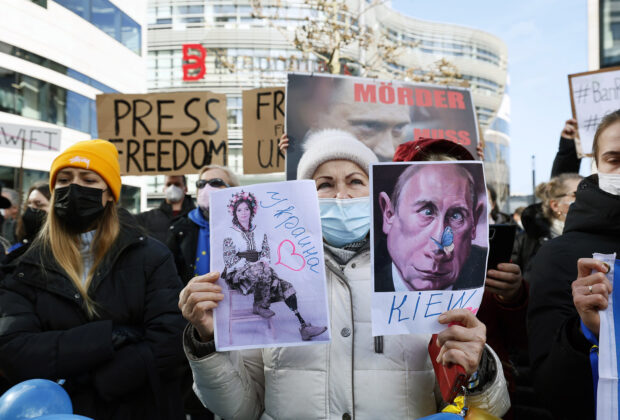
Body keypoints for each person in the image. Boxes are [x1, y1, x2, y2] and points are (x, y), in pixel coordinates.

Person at [178, 129, 510, 419]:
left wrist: (479, 368)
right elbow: (238, 409)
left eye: (355, 181)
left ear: (380, 199)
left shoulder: (421, 277)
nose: (341, 195)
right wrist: (208, 343)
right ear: (304, 194)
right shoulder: (275, 276)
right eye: (324, 184)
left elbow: (478, 408)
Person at [0, 140, 187, 420]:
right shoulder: (24, 266)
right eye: (64, 180)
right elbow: (14, 348)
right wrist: (110, 337)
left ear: (110, 193)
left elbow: (170, 340)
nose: (74, 188)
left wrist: (98, 380)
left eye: (88, 179)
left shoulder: (151, 256)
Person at [392, 137, 528, 420]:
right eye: (426, 209)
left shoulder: (479, 259)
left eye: (456, 213)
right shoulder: (372, 271)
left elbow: (522, 339)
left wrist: (513, 297)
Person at [528, 110, 620, 419]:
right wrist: (583, 334)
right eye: (615, 160)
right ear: (597, 166)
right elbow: (553, 390)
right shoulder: (560, 257)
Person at [222, 189, 327, 339]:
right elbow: (229, 260)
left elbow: (265, 253)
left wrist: (263, 261)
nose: (243, 212)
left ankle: (303, 326)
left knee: (287, 286)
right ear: (235, 212)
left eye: (246, 209)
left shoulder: (260, 232)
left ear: (251, 211)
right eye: (239, 210)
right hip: (237, 274)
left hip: (261, 274)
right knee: (261, 270)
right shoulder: (230, 233)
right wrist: (252, 264)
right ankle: (260, 305)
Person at [376, 162, 486, 292]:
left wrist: (509, 299)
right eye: (426, 212)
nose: (438, 247)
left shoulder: (489, 271)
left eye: (456, 216)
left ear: (474, 222)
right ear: (389, 214)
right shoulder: (364, 277)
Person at [168, 165, 239, 284]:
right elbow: (169, 279)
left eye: (216, 183)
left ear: (233, 189)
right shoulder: (179, 228)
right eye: (201, 184)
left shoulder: (247, 227)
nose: (206, 188)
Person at [512, 173, 583, 280]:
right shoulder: (526, 240)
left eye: (590, 194)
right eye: (576, 195)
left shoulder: (596, 236)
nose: (587, 199)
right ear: (555, 205)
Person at [136, 175, 195, 243]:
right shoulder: (147, 218)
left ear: (186, 189)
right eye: (169, 184)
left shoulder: (196, 218)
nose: (172, 188)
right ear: (164, 189)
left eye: (177, 184)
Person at [4, 181, 51, 263]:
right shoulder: (25, 243)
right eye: (29, 204)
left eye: (38, 204)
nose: (30, 209)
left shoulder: (51, 252)